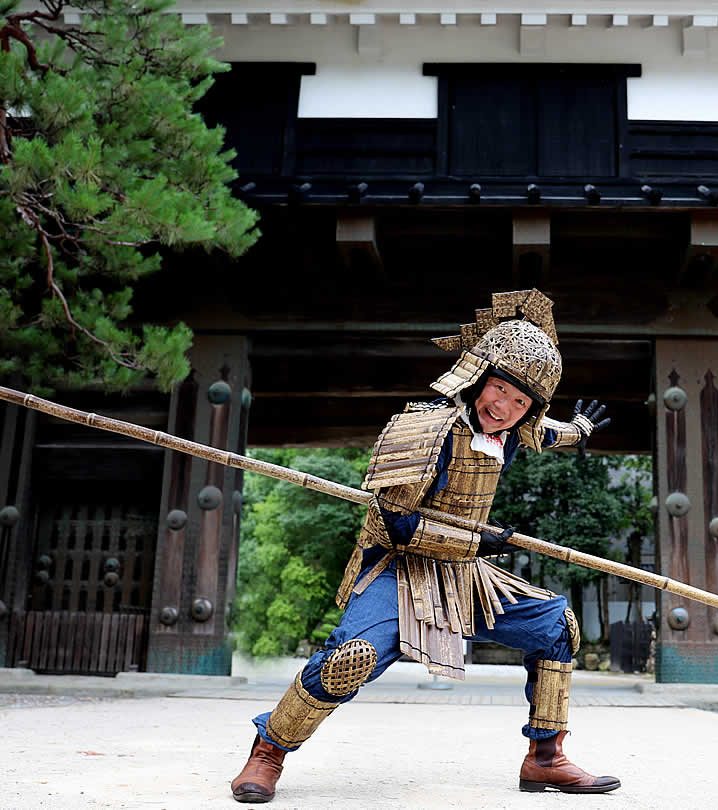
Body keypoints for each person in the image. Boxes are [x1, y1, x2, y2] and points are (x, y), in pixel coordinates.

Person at [230, 289, 619, 803]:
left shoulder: (513, 429)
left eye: (520, 401)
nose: (504, 408)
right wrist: (477, 539)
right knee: (351, 657)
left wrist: (580, 429)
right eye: (499, 390)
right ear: (479, 376)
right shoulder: (423, 428)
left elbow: (544, 433)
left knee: (555, 626)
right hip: (398, 567)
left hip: (463, 574)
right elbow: (397, 525)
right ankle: (267, 752)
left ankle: (546, 758)